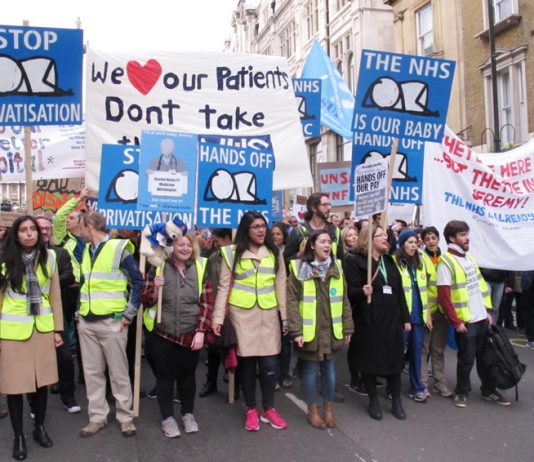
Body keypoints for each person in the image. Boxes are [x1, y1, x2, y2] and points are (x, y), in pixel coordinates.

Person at [212, 211, 288, 431]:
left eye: (263, 225)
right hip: (242, 316)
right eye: (256, 226)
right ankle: (251, 409)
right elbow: (223, 286)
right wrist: (218, 317)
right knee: (246, 365)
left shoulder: (274, 253)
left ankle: (269, 409)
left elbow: (280, 285)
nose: (261, 230)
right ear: (246, 229)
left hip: (269, 315)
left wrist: (285, 318)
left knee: (269, 365)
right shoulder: (231, 254)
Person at [0, 216, 64, 460]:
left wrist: (58, 330)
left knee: (41, 384)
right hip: (12, 333)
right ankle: (18, 436)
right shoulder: (4, 260)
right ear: (16, 235)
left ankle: (39, 428)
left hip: (42, 329)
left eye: (33, 230)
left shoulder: (50, 257)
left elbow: (55, 295)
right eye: (24, 230)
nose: (29, 234)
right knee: (15, 388)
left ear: (39, 233)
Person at [77, 212, 143, 437]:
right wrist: (79, 314)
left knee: (118, 372)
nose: (79, 231)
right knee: (92, 372)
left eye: (81, 227)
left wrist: (128, 315)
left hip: (112, 321)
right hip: (87, 321)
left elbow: (137, 280)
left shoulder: (118, 248)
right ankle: (97, 417)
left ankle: (125, 417)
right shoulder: (86, 251)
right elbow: (85, 284)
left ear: (89, 225)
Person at [141, 233, 212, 438]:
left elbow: (207, 303)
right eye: (180, 244)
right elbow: (145, 299)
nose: (185, 249)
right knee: (165, 377)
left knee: (188, 377)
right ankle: (167, 418)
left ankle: (188, 414)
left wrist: (201, 331)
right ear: (172, 246)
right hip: (163, 332)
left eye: (189, 245)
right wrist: (155, 287)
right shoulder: (158, 266)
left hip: (190, 332)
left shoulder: (201, 268)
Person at [437, 220, 510, 408]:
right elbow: (444, 296)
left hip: (481, 318)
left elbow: (479, 287)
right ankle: (462, 392)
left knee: (487, 359)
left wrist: (487, 311)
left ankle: (488, 390)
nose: (467, 237)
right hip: (466, 321)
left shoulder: (469, 258)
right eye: (462, 234)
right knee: (466, 359)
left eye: (467, 233)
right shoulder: (446, 262)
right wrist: (456, 321)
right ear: (452, 238)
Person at [344, 223, 411, 420]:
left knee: (394, 359)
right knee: (370, 359)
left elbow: (399, 292)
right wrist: (360, 291)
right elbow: (349, 292)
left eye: (385, 235)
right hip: (368, 318)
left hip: (391, 318)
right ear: (369, 239)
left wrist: (405, 318)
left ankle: (396, 400)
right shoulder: (355, 262)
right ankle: (373, 399)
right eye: (380, 235)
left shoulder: (389, 262)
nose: (385, 238)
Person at [287, 230, 353, 429]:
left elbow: (344, 301)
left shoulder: (338, 267)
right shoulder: (298, 268)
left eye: (330, 242)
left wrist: (348, 327)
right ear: (312, 245)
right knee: (308, 371)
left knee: (329, 371)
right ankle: (312, 410)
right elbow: (292, 303)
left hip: (331, 330)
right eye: (322, 241)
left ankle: (329, 409)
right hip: (309, 333)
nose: (327, 245)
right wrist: (296, 331)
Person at [35, 216, 81, 414]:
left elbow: (69, 275)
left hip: (56, 313)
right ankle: (35, 405)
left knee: (64, 357)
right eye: (40, 228)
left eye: (47, 228)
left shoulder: (60, 253)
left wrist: (43, 282)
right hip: (30, 317)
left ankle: (68, 396)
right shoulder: (21, 256)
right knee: (35, 361)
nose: (44, 232)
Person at [393, 229, 433, 403]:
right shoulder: (394, 262)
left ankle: (417, 387)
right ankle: (391, 387)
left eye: (415, 242)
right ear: (402, 245)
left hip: (418, 318)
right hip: (402, 318)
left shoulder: (421, 262)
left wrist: (428, 314)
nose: (414, 245)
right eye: (409, 242)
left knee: (417, 353)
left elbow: (426, 291)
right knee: (397, 353)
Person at [198, 228, 233, 398]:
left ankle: (235, 386)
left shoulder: (239, 256)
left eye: (218, 240)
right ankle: (211, 381)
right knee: (213, 347)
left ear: (227, 239)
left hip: (234, 308)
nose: (215, 243)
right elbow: (209, 280)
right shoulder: (213, 258)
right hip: (216, 307)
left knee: (234, 348)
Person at [420, 226, 453, 398]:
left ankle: (440, 383)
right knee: (424, 350)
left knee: (438, 349)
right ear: (423, 242)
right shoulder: (420, 258)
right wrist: (425, 313)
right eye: (427, 239)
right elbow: (421, 288)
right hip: (428, 312)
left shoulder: (446, 258)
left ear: (438, 239)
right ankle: (422, 384)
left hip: (443, 313)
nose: (431, 241)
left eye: (433, 238)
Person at [284, 193, 343, 263]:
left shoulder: (335, 231)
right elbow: (286, 260)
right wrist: (300, 254)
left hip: (331, 273)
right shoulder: (299, 232)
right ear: (314, 208)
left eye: (329, 204)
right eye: (325, 205)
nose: (328, 208)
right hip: (307, 273)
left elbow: (341, 260)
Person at [271, 222, 292, 389]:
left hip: (287, 302)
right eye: (273, 234)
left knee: (285, 342)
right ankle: (274, 374)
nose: (275, 237)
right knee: (272, 341)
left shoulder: (291, 254)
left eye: (278, 234)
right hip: (271, 302)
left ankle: (285, 374)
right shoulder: (267, 253)